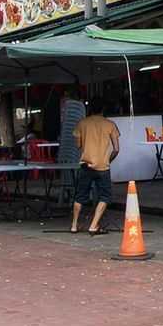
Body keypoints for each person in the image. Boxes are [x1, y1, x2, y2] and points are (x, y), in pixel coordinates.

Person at [71, 96, 121, 235]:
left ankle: (74, 225)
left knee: (80, 196)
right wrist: (107, 160)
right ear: (103, 108)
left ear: (90, 108)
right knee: (105, 196)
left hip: (86, 165)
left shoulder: (82, 123)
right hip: (103, 167)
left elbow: (77, 145)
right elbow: (116, 149)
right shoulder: (110, 124)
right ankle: (93, 225)